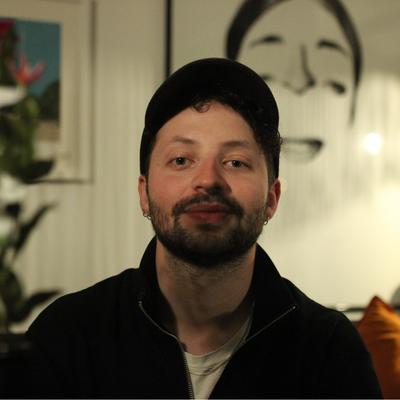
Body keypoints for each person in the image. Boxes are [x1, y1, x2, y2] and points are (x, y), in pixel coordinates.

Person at [22, 58, 381, 398]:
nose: (208, 179)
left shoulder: (329, 351)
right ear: (144, 193)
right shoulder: (68, 337)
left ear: (272, 198)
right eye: (181, 160)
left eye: (235, 162)